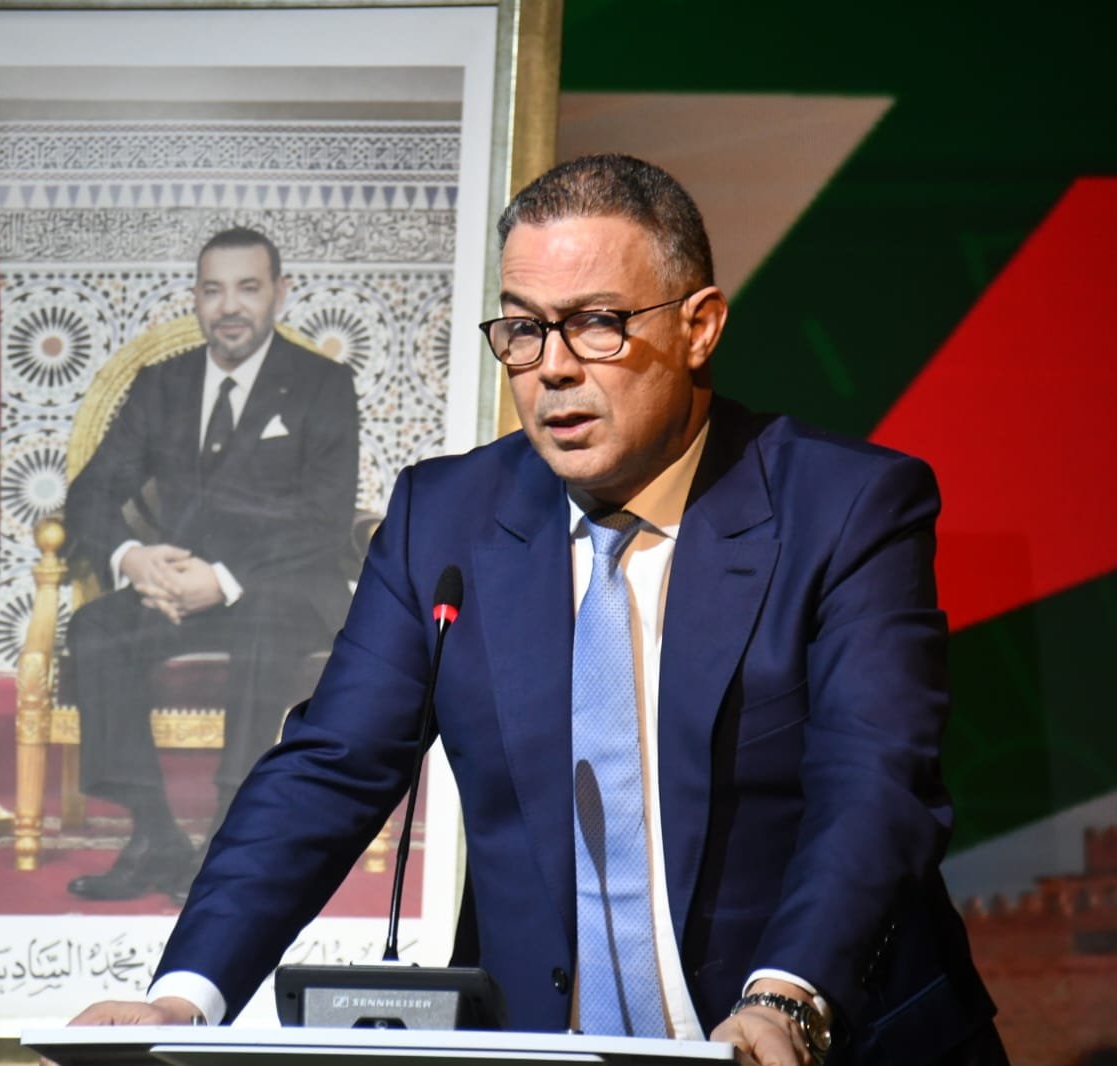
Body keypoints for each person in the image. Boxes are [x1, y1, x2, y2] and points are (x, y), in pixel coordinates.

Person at [70, 156, 1004, 1065]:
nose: (551, 369)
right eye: (522, 329)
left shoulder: (841, 507)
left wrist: (786, 996)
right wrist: (181, 997)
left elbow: (873, 782)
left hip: (810, 1038)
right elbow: (330, 769)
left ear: (699, 327)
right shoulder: (443, 519)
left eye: (596, 324)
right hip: (545, 1048)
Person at [62, 226, 360, 904]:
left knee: (262, 623)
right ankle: (154, 833)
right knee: (98, 628)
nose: (229, 307)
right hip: (177, 589)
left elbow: (324, 515)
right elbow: (91, 492)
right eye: (213, 290)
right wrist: (135, 559)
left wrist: (223, 581)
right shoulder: (161, 385)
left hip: (284, 590)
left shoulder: (322, 384)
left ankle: (229, 833)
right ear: (195, 298)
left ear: (279, 293)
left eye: (247, 288)